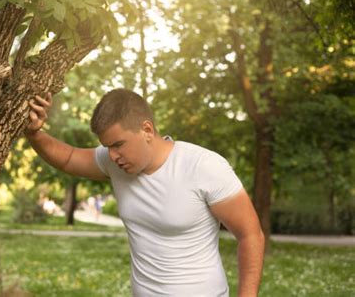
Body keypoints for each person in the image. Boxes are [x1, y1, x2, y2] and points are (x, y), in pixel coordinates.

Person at [25, 89, 264, 296]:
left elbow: (250, 235)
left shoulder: (203, 166)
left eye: (118, 144)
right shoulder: (115, 163)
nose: (112, 155)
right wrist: (34, 133)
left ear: (147, 130)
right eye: (107, 147)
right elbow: (67, 158)